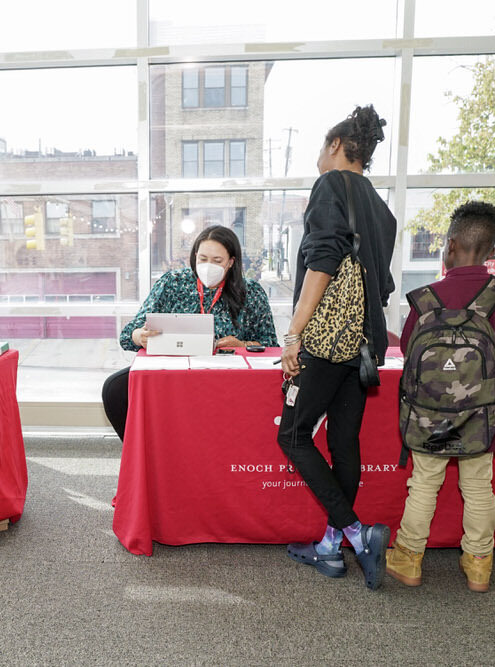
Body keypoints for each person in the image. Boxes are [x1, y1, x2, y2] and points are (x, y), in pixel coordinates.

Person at [278, 105, 397, 590]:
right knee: (344, 442)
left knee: (293, 436)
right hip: (364, 344)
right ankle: (330, 548)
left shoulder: (331, 186)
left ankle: (356, 532)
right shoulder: (381, 208)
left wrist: (294, 333)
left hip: (326, 342)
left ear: (334, 146)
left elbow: (322, 263)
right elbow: (380, 283)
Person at [385, 201, 495, 591]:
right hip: (480, 416)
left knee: (424, 483)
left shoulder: (425, 298)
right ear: (491, 252)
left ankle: (409, 559)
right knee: (478, 485)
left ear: (450, 245)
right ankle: (478, 564)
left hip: (427, 414)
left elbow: (410, 353)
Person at [101, 225, 277, 441]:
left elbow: (271, 346)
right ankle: (143, 456)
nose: (208, 266)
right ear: (194, 256)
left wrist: (241, 345)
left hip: (224, 377)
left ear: (231, 262)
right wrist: (140, 336)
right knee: (115, 389)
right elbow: (128, 335)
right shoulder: (172, 282)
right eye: (202, 259)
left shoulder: (251, 292)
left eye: (217, 261)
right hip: (173, 374)